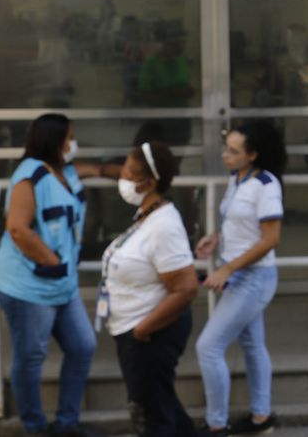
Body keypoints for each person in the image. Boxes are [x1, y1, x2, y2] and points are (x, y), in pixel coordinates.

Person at [0, 113, 120, 436]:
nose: (72, 144)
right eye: (69, 138)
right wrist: (53, 262)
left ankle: (66, 424)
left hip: (61, 284)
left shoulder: (66, 173)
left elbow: (102, 169)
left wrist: (136, 175)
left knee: (82, 345)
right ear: (54, 141)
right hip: (28, 286)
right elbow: (18, 229)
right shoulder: (29, 177)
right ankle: (34, 427)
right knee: (31, 356)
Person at [98, 141, 199, 437]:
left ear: (150, 183)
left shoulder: (164, 225)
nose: (122, 177)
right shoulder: (146, 215)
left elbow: (186, 289)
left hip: (149, 332)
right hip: (132, 328)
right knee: (160, 403)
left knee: (152, 415)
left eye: (129, 172)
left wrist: (143, 330)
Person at [194, 121, 286, 435]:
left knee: (208, 347)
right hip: (240, 275)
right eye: (226, 148)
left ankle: (216, 425)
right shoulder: (238, 179)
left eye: (234, 151)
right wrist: (217, 238)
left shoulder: (266, 185)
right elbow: (243, 225)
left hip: (254, 279)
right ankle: (262, 419)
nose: (225, 155)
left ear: (253, 155)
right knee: (252, 345)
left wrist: (227, 269)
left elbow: (270, 238)